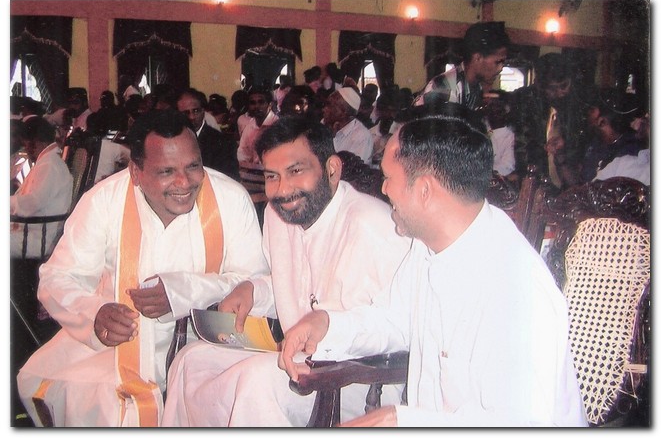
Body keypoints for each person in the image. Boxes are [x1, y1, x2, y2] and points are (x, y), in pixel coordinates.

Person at [279, 115, 588, 427]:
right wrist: (326, 324)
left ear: (424, 190)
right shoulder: (428, 246)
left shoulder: (516, 287)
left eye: (388, 177)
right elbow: (393, 320)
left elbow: (521, 423)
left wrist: (401, 421)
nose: (383, 189)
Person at [16, 109, 269, 427]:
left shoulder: (231, 199)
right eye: (167, 171)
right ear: (136, 172)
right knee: (90, 397)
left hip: (204, 341)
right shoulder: (103, 201)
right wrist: (95, 315)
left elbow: (254, 283)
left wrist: (181, 293)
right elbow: (58, 277)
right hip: (116, 344)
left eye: (193, 166)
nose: (184, 182)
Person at [162, 116, 411, 427]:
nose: (283, 190)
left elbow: (398, 327)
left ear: (332, 170)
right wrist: (254, 291)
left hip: (357, 377)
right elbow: (293, 283)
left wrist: (329, 327)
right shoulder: (278, 216)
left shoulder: (376, 226)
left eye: (296, 171)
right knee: (191, 360)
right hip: (297, 360)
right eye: (272, 176)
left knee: (257, 381)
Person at [509, 53, 597, 189]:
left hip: (571, 179)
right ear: (541, 86)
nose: (561, 92)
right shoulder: (526, 101)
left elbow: (585, 142)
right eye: (553, 88)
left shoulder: (581, 102)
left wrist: (566, 144)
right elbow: (522, 146)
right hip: (537, 179)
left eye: (564, 85)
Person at [10, 116, 73, 258]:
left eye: (27, 145)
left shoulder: (50, 164)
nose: (26, 149)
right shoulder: (48, 160)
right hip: (33, 230)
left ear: (37, 141)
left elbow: (34, 202)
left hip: (38, 237)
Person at [413, 21, 510, 110]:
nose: (501, 68)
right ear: (478, 58)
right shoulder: (445, 88)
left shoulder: (476, 88)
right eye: (498, 62)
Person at [177, 88, 240, 181]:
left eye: (196, 111)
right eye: (186, 113)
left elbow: (230, 179)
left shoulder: (223, 143)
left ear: (203, 111)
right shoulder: (172, 141)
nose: (191, 117)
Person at [323, 86, 374, 165]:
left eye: (330, 106)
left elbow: (354, 168)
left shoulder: (362, 136)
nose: (324, 109)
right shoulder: (324, 125)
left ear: (344, 113)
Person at [236, 86, 278, 165]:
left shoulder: (277, 125)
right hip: (253, 169)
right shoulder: (250, 126)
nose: (256, 106)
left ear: (270, 104)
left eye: (261, 102)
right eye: (252, 103)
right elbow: (242, 153)